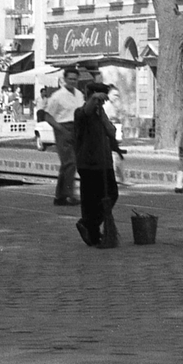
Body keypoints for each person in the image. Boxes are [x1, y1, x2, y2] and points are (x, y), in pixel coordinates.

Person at [73, 82, 125, 246]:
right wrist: (94, 99)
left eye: (102, 101)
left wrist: (116, 149)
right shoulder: (81, 113)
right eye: (99, 100)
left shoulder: (101, 113)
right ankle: (93, 233)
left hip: (105, 162)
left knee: (111, 194)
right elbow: (85, 112)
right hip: (88, 163)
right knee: (91, 200)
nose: (101, 103)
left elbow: (111, 132)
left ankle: (89, 225)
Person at [43, 67, 84, 206]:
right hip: (63, 128)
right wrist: (61, 130)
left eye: (75, 79)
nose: (72, 81)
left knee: (72, 164)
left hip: (77, 128)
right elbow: (48, 116)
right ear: (64, 79)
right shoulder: (57, 96)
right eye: (70, 79)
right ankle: (67, 195)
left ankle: (60, 195)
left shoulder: (79, 94)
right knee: (69, 162)